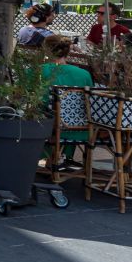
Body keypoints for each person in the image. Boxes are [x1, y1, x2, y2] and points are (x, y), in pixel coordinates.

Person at [41, 35, 93, 168]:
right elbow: (89, 102)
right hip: (78, 129)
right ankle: (61, 157)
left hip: (46, 127)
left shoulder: (38, 71)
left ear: (47, 50)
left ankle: (48, 158)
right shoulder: (84, 74)